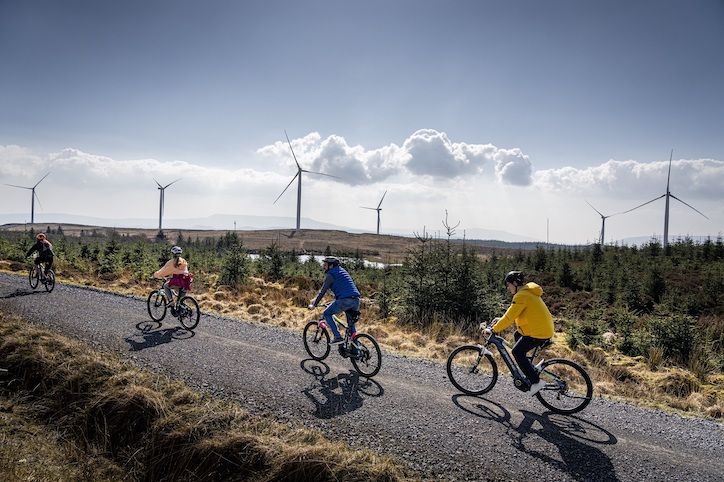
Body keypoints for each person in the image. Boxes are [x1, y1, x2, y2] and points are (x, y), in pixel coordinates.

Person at [483, 271, 554, 395]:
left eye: (508, 284)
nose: (507, 287)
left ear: (515, 284)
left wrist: (493, 330)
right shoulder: (527, 293)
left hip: (538, 332)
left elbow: (509, 318)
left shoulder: (521, 296)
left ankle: (535, 382)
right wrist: (500, 320)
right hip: (542, 329)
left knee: (517, 352)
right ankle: (527, 367)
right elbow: (513, 314)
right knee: (517, 335)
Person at [308, 256, 361, 345]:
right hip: (356, 300)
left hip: (345, 301)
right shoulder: (342, 271)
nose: (323, 266)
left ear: (331, 266)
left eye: (325, 264)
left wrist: (314, 304)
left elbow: (322, 291)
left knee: (327, 313)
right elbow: (343, 288)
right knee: (351, 325)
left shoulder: (331, 275)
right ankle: (356, 351)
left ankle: (337, 336)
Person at [153, 246, 190, 315]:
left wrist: (156, 275)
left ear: (173, 254)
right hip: (187, 281)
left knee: (166, 286)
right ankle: (181, 310)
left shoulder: (171, 262)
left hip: (178, 281)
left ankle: (171, 301)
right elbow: (181, 272)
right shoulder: (184, 261)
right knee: (180, 298)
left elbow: (163, 271)